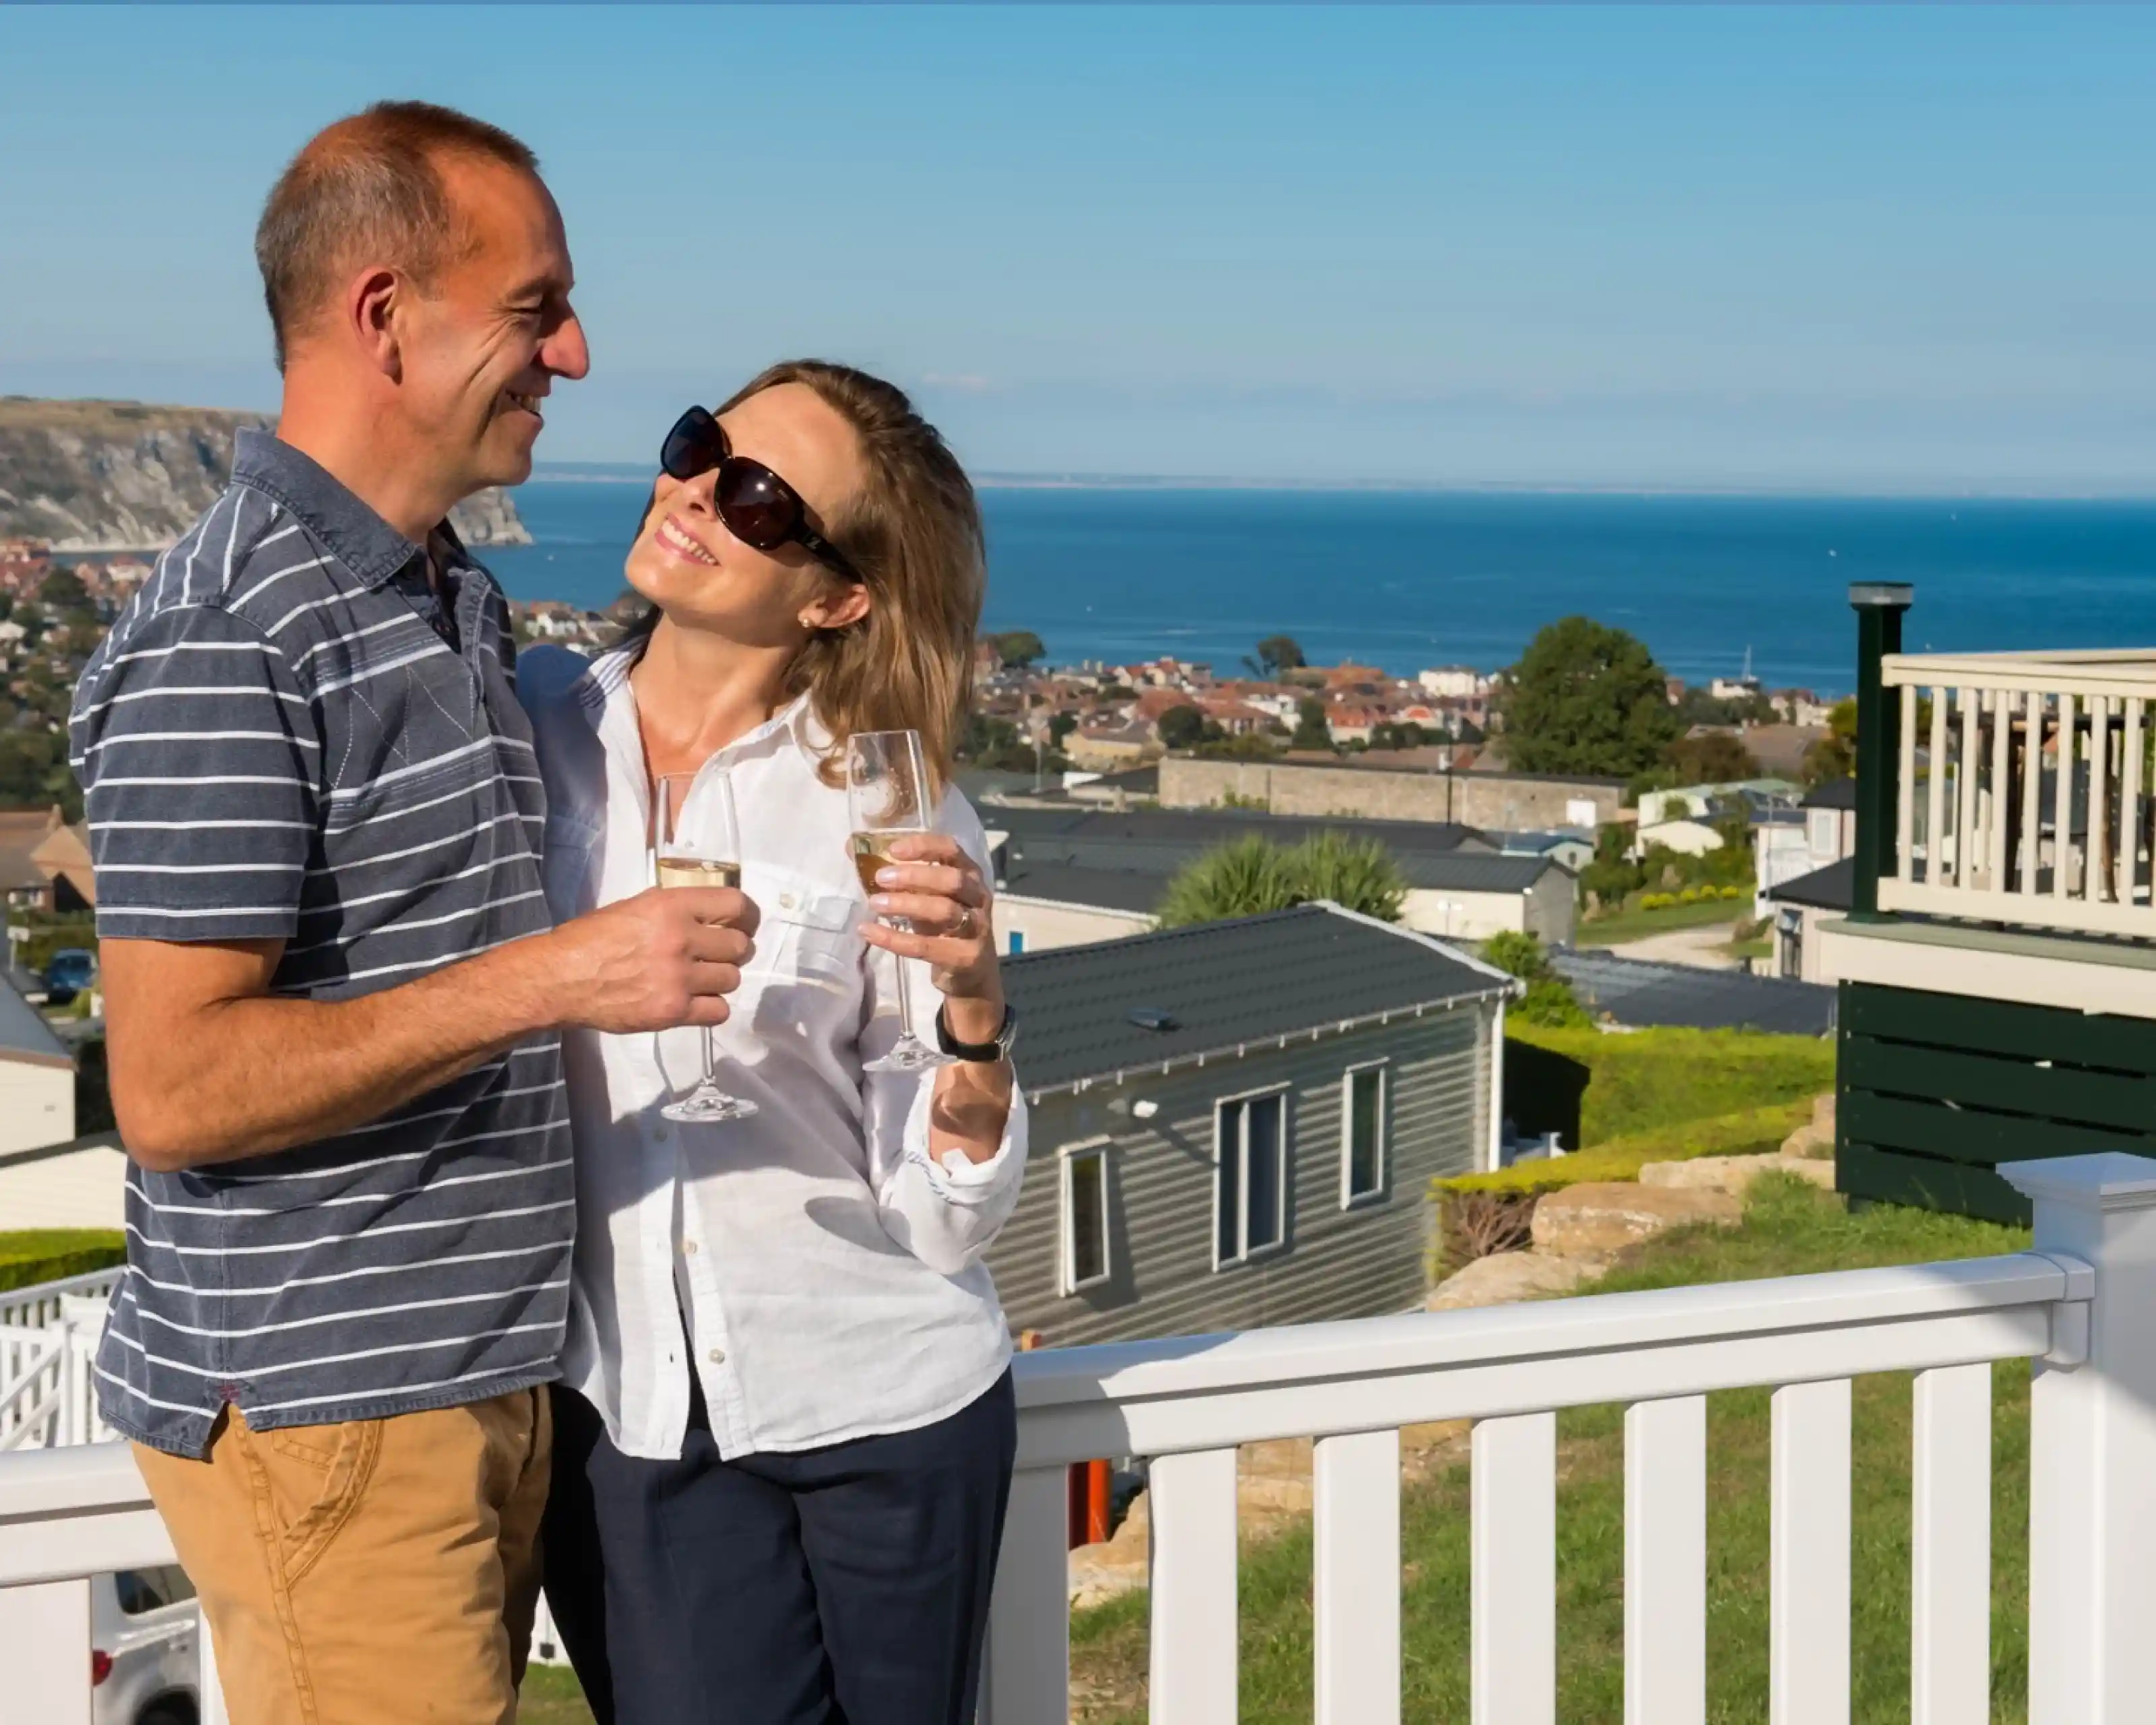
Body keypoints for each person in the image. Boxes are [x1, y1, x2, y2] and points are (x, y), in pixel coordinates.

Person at [68, 102, 757, 1725]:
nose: (574, 353)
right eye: (535, 309)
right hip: (336, 1414)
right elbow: (174, 1089)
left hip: (467, 1382)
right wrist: (553, 979)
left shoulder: (434, 587)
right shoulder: (229, 635)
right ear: (387, 315)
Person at [524, 361, 1026, 1725]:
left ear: (836, 594)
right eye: (701, 445)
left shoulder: (893, 809)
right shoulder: (527, 737)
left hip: (893, 1394)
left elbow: (940, 1215)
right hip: (634, 1410)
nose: (695, 490)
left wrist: (975, 1009)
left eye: (755, 496)